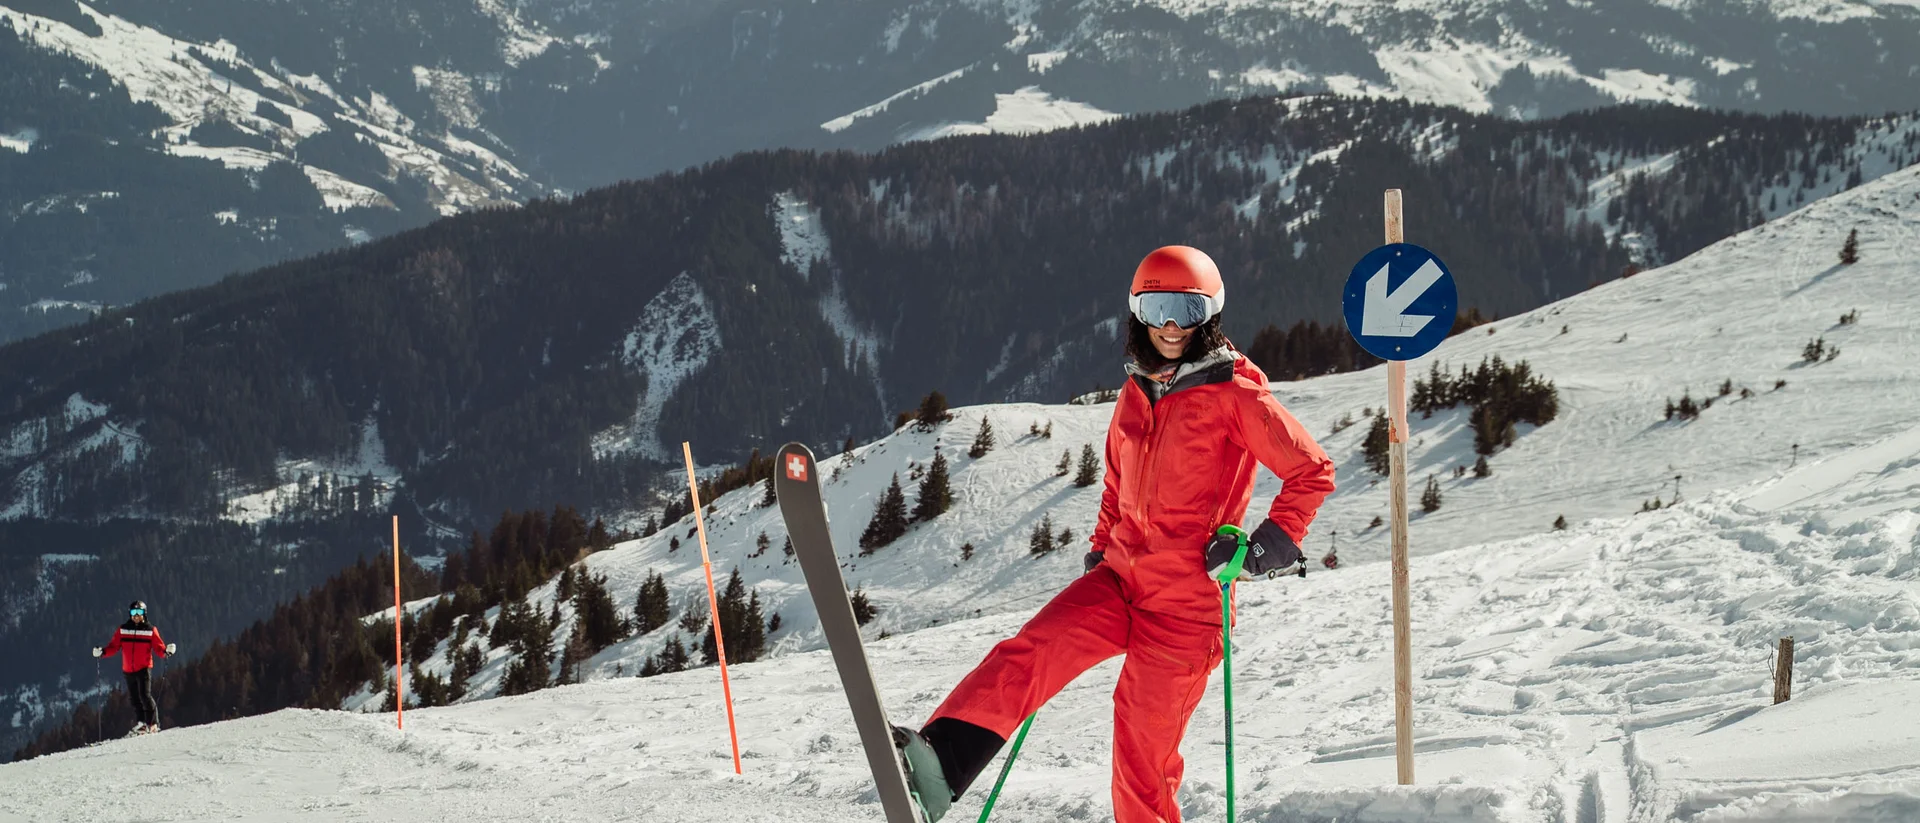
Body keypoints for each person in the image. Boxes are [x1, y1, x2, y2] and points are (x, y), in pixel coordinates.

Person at [892, 245, 1337, 822]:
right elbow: (1116, 483)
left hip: (1185, 609)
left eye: (1186, 307)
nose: (1171, 325)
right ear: (1137, 314)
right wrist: (1103, 547)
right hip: (1120, 581)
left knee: (1140, 763)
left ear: (1211, 313)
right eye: (1156, 308)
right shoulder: (1137, 392)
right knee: (1027, 653)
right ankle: (940, 771)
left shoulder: (1236, 395)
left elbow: (1312, 470)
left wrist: (1265, 547)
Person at [93, 600, 176, 734]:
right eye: (133, 612)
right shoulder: (123, 630)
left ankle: (153, 723)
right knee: (135, 698)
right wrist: (102, 652)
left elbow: (158, 647)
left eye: (139, 612)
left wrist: (166, 651)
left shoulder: (150, 630)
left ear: (144, 614)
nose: (136, 616)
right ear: (130, 614)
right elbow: (114, 646)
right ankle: (142, 723)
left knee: (145, 695)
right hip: (128, 669)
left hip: (144, 668)